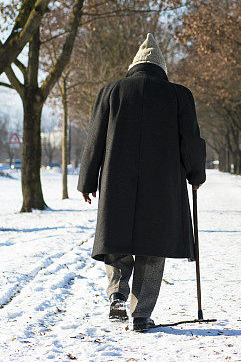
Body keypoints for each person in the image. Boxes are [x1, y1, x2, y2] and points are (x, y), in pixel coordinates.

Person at [77, 33, 206, 332]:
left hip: (116, 181)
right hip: (162, 186)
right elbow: (191, 142)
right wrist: (196, 176)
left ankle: (118, 293)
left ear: (134, 65)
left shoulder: (111, 91)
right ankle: (141, 314)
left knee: (117, 238)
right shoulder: (179, 95)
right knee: (153, 247)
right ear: (162, 68)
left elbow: (94, 138)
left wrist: (87, 180)